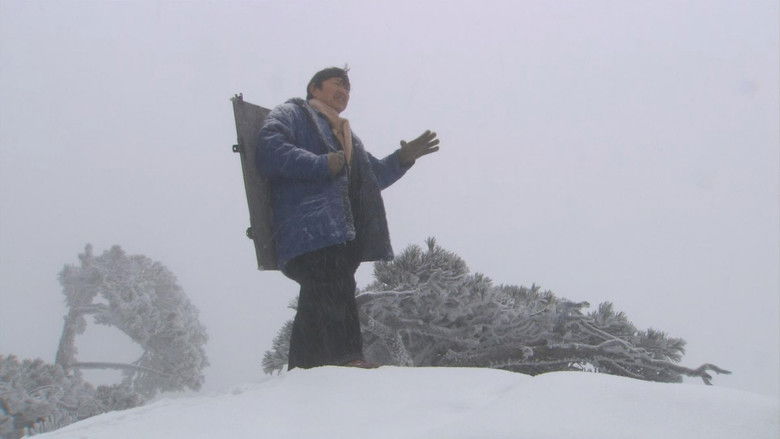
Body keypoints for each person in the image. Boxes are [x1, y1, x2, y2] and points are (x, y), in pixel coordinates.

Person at [256, 66, 439, 370]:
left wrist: (402, 158)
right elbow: (269, 148)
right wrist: (320, 163)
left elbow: (371, 177)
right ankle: (345, 358)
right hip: (309, 226)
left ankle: (304, 369)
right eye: (337, 83)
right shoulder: (293, 114)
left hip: (342, 232)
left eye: (348, 88)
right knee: (329, 286)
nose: (344, 91)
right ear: (314, 88)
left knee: (328, 292)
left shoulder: (346, 134)